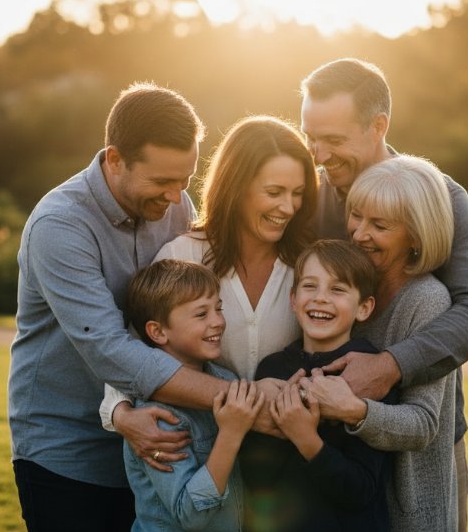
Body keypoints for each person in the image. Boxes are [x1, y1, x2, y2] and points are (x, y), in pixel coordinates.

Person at [8, 83, 280, 532]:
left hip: (165, 446)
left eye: (185, 181)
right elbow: (109, 347)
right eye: (161, 182)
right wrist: (241, 405)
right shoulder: (60, 225)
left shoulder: (174, 206)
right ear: (115, 160)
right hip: (69, 449)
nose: (177, 198)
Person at [299, 58, 468, 532]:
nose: (319, 154)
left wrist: (386, 367)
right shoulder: (306, 199)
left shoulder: (443, 198)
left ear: (378, 126)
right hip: (327, 444)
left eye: (334, 139)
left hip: (423, 445)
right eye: (311, 137)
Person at [100, 115, 318, 462]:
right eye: (274, 192)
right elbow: (135, 351)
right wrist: (119, 414)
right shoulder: (183, 254)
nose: (288, 207)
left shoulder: (309, 266)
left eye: (297, 193)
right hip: (200, 459)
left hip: (287, 464)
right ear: (236, 186)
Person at [302, 156, 460, 532]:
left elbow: (423, 424)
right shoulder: (347, 286)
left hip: (405, 512)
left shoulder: (427, 300)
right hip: (342, 506)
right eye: (356, 216)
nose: (358, 234)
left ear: (416, 236)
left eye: (380, 225)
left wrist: (354, 409)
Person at [240, 239, 396, 532]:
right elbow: (255, 477)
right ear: (293, 299)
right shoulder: (272, 369)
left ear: (364, 307)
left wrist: (306, 438)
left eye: (337, 289)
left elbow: (360, 491)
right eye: (310, 286)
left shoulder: (369, 373)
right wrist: (282, 423)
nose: (321, 298)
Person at [122, 259, 264, 532]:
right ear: (158, 332)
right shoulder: (158, 418)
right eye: (201, 314)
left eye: (218, 308)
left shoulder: (225, 380)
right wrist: (231, 433)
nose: (218, 321)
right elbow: (190, 515)